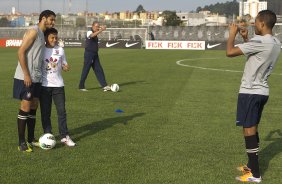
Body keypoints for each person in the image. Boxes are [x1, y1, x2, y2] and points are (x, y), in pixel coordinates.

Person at [226, 10, 281, 183]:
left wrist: (232, 35)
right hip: (261, 91)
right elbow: (257, 54)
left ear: (263, 24)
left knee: (248, 130)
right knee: (252, 128)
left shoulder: (260, 41)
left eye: (256, 22)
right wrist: (245, 38)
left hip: (250, 91)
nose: (253, 24)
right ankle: (251, 166)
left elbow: (229, 52)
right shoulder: (275, 41)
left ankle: (255, 174)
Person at [13, 10, 56, 152]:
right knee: (25, 107)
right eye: (51, 20)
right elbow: (20, 52)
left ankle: (31, 139)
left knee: (33, 107)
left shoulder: (43, 36)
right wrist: (26, 74)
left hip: (37, 78)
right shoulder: (33, 31)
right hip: (26, 77)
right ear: (43, 19)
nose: (53, 22)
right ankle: (21, 143)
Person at [40, 28, 76, 147]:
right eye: (52, 37)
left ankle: (64, 136)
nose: (54, 40)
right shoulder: (41, 50)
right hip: (44, 86)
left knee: (62, 112)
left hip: (58, 86)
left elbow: (64, 64)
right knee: (46, 113)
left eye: (56, 37)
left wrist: (65, 67)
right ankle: (48, 135)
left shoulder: (60, 50)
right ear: (46, 38)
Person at [78, 22, 111, 92]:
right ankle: (81, 86)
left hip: (95, 54)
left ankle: (104, 85)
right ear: (92, 26)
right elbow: (91, 36)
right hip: (89, 54)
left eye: (98, 26)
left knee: (99, 69)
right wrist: (101, 30)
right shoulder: (89, 31)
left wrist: (101, 29)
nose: (97, 28)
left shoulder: (96, 32)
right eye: (96, 26)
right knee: (86, 70)